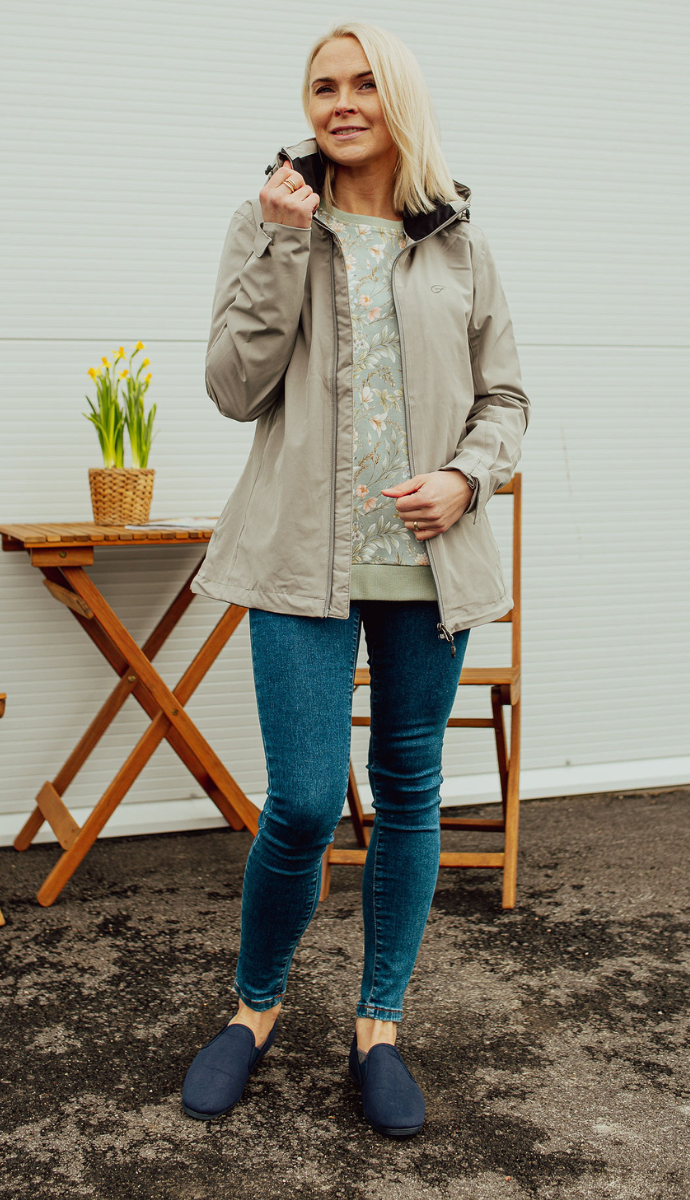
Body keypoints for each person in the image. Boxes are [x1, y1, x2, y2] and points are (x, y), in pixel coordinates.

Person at [181, 20, 529, 1138]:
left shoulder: (461, 242)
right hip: (297, 558)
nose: (341, 102)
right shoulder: (268, 219)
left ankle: (379, 1026)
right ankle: (254, 1010)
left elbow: (505, 400)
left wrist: (465, 480)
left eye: (364, 83)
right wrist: (285, 244)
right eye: (322, 85)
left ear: (399, 100)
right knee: (298, 800)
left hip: (427, 566)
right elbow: (233, 389)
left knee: (409, 789)